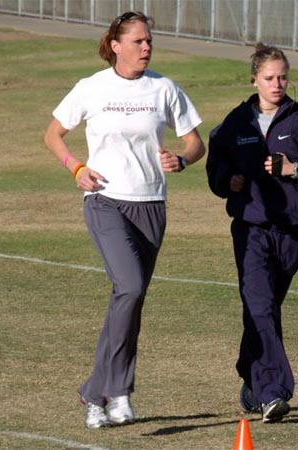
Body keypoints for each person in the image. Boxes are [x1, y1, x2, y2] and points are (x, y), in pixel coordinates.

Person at [43, 11, 205, 429]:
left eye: (149, 41)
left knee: (130, 303)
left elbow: (194, 142)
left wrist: (181, 160)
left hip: (151, 205)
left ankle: (97, 394)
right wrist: (75, 168)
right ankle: (118, 389)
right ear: (116, 45)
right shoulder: (91, 88)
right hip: (105, 201)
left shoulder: (164, 88)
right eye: (138, 41)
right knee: (129, 287)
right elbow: (52, 134)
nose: (147, 47)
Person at [206, 43, 298, 423]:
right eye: (269, 78)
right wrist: (226, 180)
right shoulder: (236, 123)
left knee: (266, 309)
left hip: (290, 232)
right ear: (254, 79)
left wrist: (296, 171)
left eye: (283, 77)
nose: (278, 84)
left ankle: (251, 372)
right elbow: (214, 165)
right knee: (261, 307)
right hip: (250, 230)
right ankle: (273, 393)